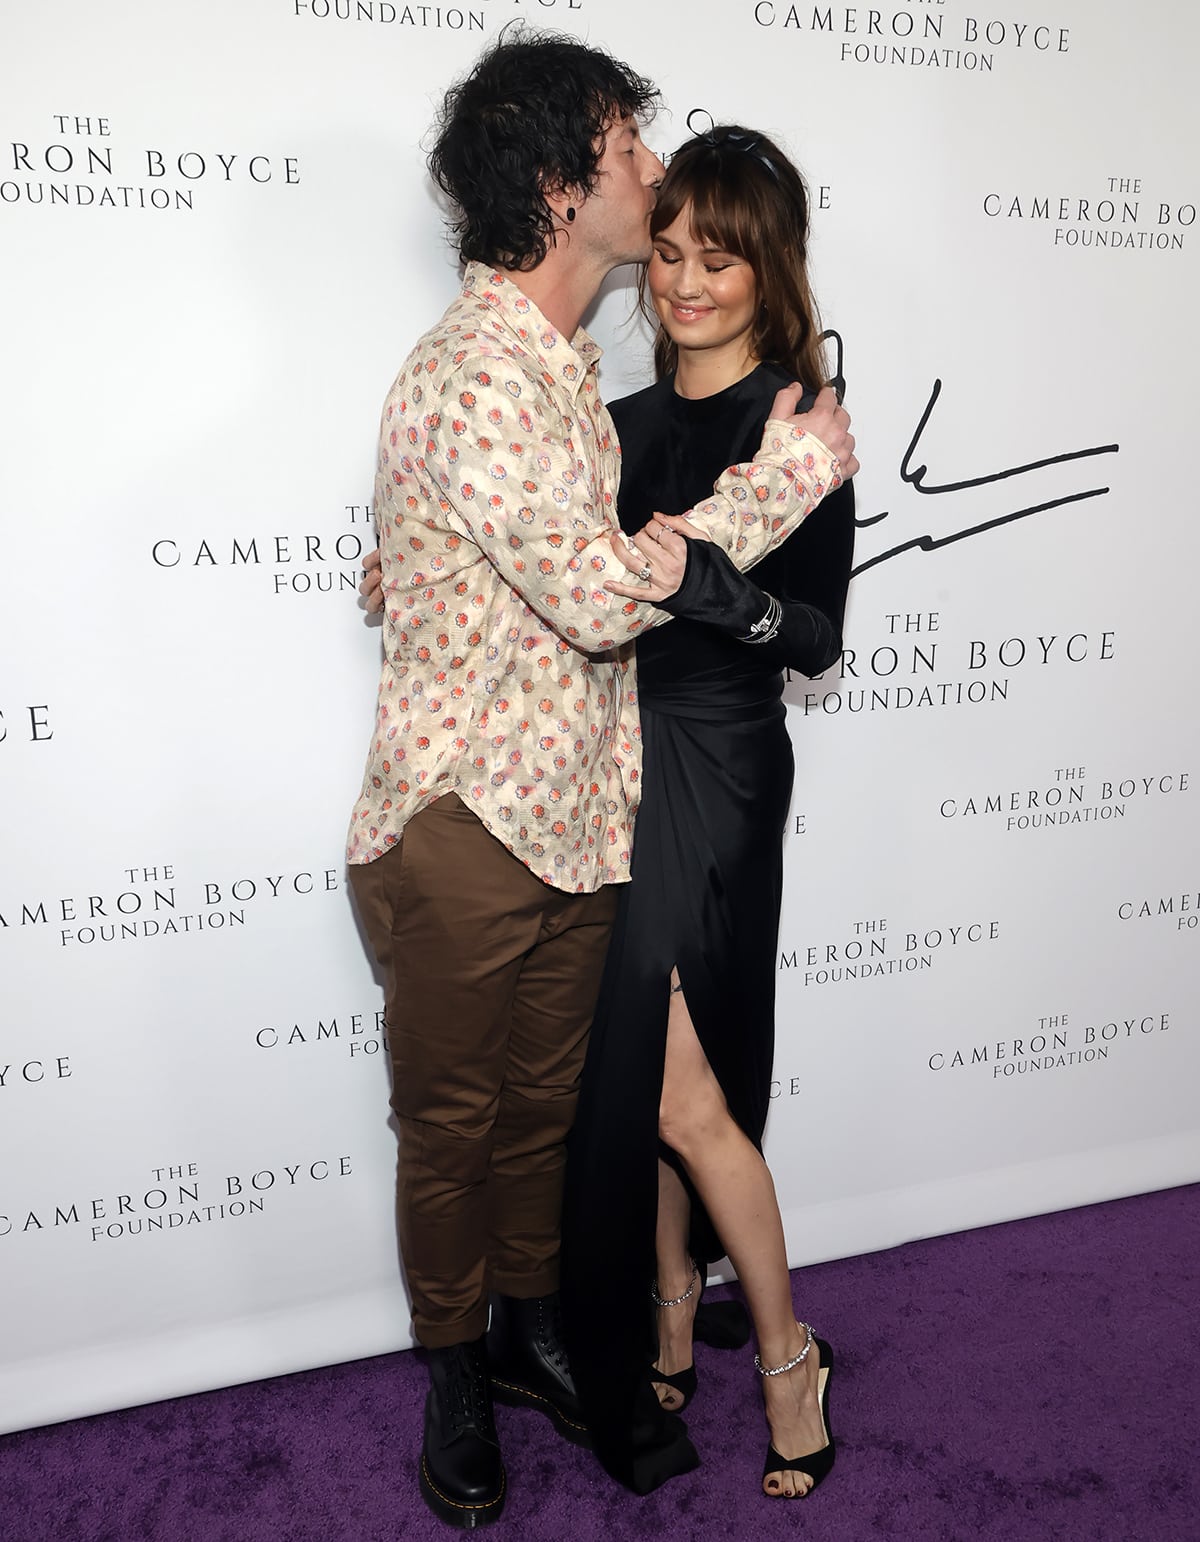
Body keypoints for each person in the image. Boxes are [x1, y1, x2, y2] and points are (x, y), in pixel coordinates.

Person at [345, 30, 857, 1531]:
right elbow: (602, 592)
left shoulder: (562, 371)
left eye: (720, 248)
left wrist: (423, 559)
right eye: (632, 152)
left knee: (547, 1118)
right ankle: (463, 1377)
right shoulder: (495, 377)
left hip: (596, 815)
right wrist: (790, 473)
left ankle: (535, 1337)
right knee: (460, 1124)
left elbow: (575, 569)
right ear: (568, 186)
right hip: (465, 824)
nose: (651, 173)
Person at [559, 122, 855, 1503]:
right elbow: (563, 584)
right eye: (668, 253)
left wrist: (714, 586)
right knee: (651, 1072)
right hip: (611, 763)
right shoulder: (614, 428)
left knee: (685, 1086)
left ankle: (786, 1357)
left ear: (767, 266)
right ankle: (675, 1301)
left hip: (721, 769)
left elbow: (814, 639)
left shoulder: (797, 425)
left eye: (718, 259)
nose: (683, 283)